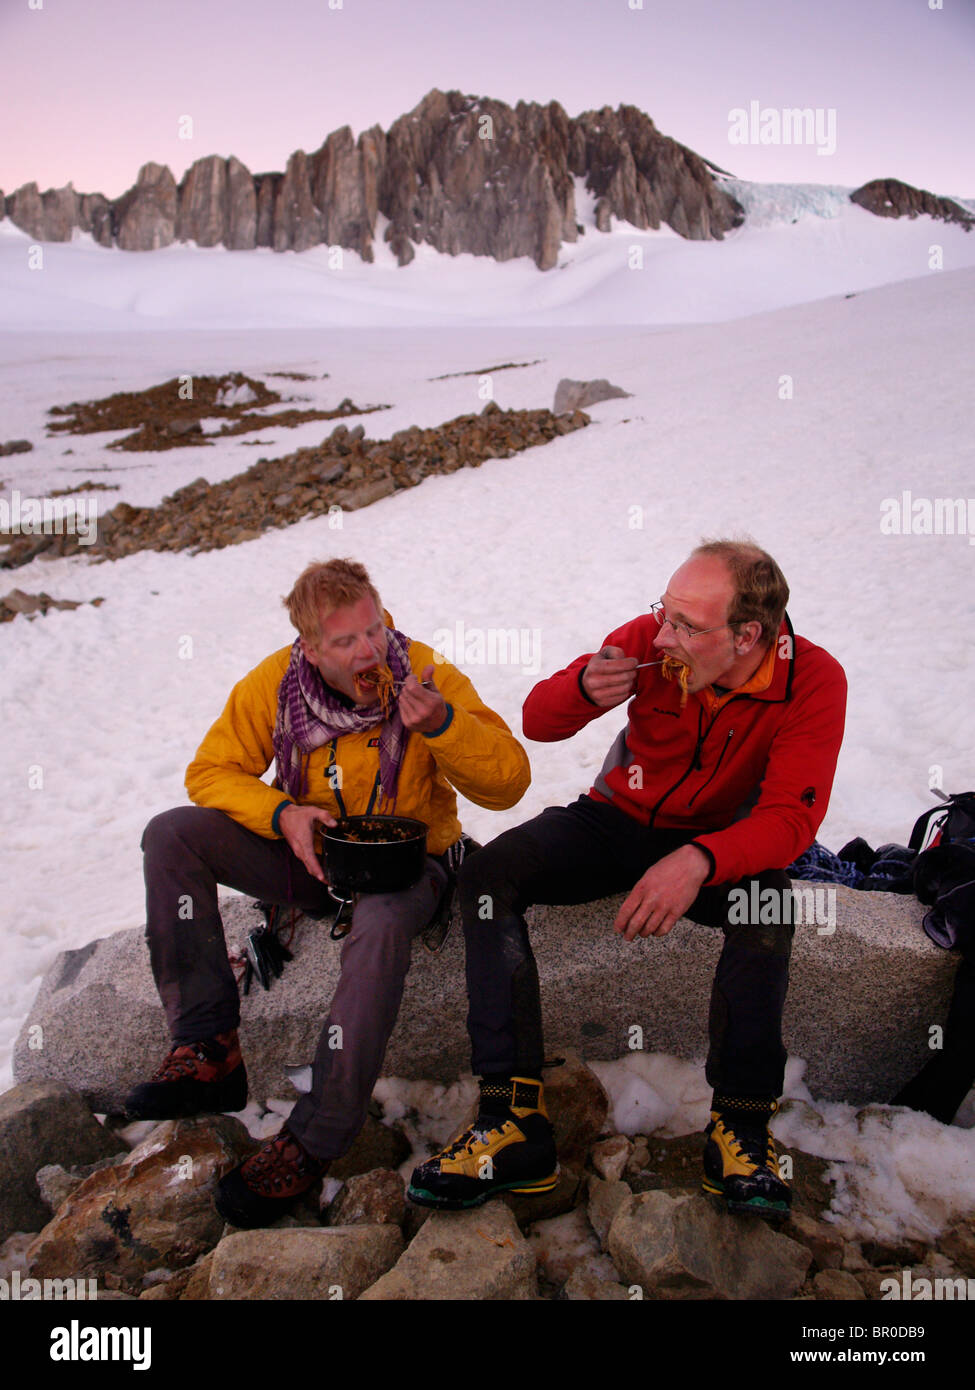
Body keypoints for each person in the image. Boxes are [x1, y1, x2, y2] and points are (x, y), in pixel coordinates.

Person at [408, 539, 847, 1219]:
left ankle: (738, 1127)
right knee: (490, 876)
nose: (662, 634)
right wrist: (582, 688)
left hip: (718, 842)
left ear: (746, 636)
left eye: (686, 626)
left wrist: (698, 859)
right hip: (613, 819)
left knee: (765, 908)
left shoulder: (812, 680)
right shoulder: (646, 640)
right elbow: (537, 721)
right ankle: (511, 1120)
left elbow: (791, 817)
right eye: (663, 613)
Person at [123, 557, 531, 1228]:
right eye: (346, 642)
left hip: (409, 867)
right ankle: (207, 1048)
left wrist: (442, 725)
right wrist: (282, 815)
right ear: (309, 646)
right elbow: (210, 771)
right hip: (314, 861)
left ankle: (316, 1138)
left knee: (378, 927)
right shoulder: (274, 685)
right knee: (172, 834)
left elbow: (507, 783)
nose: (369, 650)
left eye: (373, 630)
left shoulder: (425, 673)